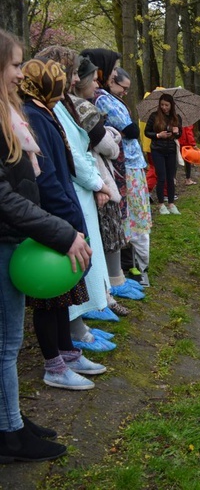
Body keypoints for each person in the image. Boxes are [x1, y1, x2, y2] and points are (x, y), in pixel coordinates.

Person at [0, 29, 92, 463]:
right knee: (5, 345)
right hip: (8, 238)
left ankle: (11, 419)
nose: (21, 73)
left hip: (15, 238)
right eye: (15, 64)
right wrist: (59, 230)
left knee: (9, 343)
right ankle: (10, 436)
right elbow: (6, 195)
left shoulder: (12, 116)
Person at [20, 57, 107, 391]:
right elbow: (47, 176)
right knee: (48, 294)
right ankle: (53, 365)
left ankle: (67, 351)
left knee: (64, 290)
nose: (66, 83)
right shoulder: (34, 117)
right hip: (52, 217)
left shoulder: (46, 112)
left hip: (63, 213)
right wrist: (69, 217)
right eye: (60, 78)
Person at [34, 46, 119, 352]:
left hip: (76, 192)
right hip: (69, 195)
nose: (75, 79)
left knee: (82, 265)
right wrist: (97, 182)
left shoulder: (59, 104)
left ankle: (79, 324)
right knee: (72, 267)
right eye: (70, 72)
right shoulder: (47, 109)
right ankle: (72, 333)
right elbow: (69, 154)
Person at [80, 50, 152, 286]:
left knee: (132, 216)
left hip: (128, 163)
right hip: (120, 166)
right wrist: (121, 132)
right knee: (128, 217)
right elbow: (127, 131)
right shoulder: (99, 99)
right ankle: (132, 269)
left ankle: (130, 268)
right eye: (112, 72)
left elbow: (129, 130)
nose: (112, 77)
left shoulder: (104, 97)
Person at [143, 93, 182, 215]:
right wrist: (158, 135)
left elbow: (179, 134)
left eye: (167, 105)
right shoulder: (154, 116)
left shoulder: (176, 118)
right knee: (161, 177)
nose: (164, 107)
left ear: (171, 105)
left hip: (170, 150)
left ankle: (171, 203)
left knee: (171, 178)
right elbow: (147, 132)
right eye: (162, 105)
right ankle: (161, 205)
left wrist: (177, 131)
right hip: (157, 150)